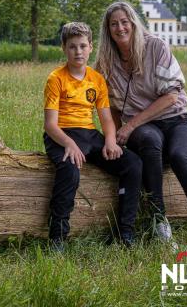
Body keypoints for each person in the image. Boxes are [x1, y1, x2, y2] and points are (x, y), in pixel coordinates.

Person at [95, 1, 187, 248]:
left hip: (176, 119)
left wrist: (129, 127)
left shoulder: (156, 46)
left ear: (133, 22)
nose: (120, 27)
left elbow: (172, 96)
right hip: (144, 129)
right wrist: (118, 136)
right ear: (108, 30)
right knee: (151, 142)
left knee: (179, 156)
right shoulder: (106, 62)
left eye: (124, 21)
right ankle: (159, 223)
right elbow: (109, 105)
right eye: (114, 24)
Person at [43, 22, 142, 251]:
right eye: (72, 47)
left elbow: (106, 118)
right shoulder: (56, 79)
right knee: (69, 169)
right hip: (62, 134)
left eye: (82, 46)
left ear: (90, 48)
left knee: (132, 164)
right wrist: (69, 144)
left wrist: (109, 140)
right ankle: (57, 237)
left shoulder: (96, 79)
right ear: (64, 49)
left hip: (89, 134)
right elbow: (50, 125)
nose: (78, 52)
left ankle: (125, 231)